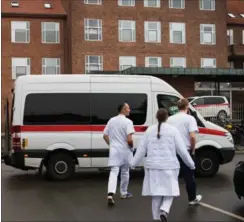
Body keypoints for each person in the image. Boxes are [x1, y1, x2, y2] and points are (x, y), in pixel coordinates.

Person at [131, 108, 195, 222]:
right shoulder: (173, 130)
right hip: (169, 166)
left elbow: (141, 150)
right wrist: (191, 164)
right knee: (170, 191)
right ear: (167, 117)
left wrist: (133, 164)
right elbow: (182, 151)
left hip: (152, 167)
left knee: (156, 194)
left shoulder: (149, 130)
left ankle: (156, 218)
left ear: (157, 117)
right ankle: (164, 210)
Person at [167, 98, 202, 205]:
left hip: (173, 151)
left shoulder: (170, 119)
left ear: (177, 107)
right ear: (187, 107)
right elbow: (192, 137)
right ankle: (192, 198)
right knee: (189, 176)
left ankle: (167, 198)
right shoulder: (190, 119)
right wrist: (192, 149)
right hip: (186, 151)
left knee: (171, 175)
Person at [103, 103, 135, 206]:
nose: (129, 110)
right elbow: (129, 139)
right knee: (125, 171)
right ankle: (124, 193)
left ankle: (110, 194)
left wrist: (111, 145)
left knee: (114, 172)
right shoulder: (128, 122)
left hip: (114, 150)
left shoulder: (111, 120)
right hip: (125, 150)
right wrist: (131, 147)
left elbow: (105, 135)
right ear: (124, 110)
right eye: (128, 108)